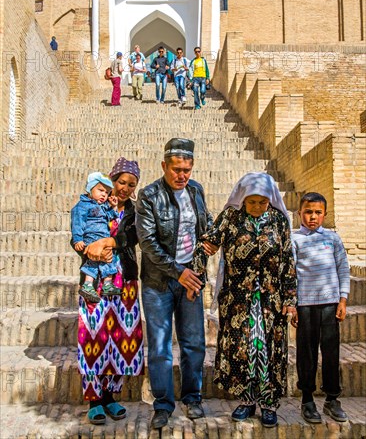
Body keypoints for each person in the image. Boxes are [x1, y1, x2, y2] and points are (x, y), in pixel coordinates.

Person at [192, 172, 297, 428]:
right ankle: (247, 399)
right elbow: (206, 243)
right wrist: (197, 274)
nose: (258, 207)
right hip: (239, 298)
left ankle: (269, 403)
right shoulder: (231, 217)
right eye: (252, 202)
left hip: (271, 300)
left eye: (263, 202)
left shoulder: (278, 221)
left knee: (268, 348)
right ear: (243, 199)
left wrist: (291, 298)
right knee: (244, 349)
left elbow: (288, 262)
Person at [135, 138, 214, 429]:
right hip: (158, 282)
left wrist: (211, 242)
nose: (182, 176)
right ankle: (163, 404)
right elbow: (148, 243)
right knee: (159, 346)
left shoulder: (196, 190)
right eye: (177, 169)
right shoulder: (149, 195)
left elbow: (205, 224)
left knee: (194, 343)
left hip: (191, 280)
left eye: (187, 170)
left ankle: (192, 398)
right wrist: (176, 271)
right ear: (164, 166)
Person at [77, 157, 144, 425]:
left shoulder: (136, 211)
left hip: (124, 280)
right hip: (94, 280)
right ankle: (94, 399)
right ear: (111, 180)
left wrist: (110, 241)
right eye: (121, 182)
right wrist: (80, 245)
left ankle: (110, 395)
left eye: (131, 184)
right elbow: (77, 231)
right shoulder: (92, 205)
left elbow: (135, 236)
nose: (125, 188)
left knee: (119, 337)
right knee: (93, 335)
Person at [291, 192, 350, 424]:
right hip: (305, 305)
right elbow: (291, 274)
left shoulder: (333, 239)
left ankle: (332, 399)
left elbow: (342, 269)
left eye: (317, 212)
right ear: (299, 214)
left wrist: (343, 299)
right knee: (306, 354)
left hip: (330, 305)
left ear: (325, 214)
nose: (312, 217)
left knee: (331, 353)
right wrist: (293, 305)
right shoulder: (294, 240)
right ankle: (307, 399)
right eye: (308, 212)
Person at [71, 172, 121, 302]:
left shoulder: (102, 207)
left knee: (109, 258)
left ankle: (107, 284)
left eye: (107, 192)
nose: (104, 195)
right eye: (100, 190)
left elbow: (110, 216)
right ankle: (88, 284)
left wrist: (113, 207)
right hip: (91, 239)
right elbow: (77, 223)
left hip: (103, 239)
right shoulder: (82, 206)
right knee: (93, 260)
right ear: (90, 189)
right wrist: (78, 239)